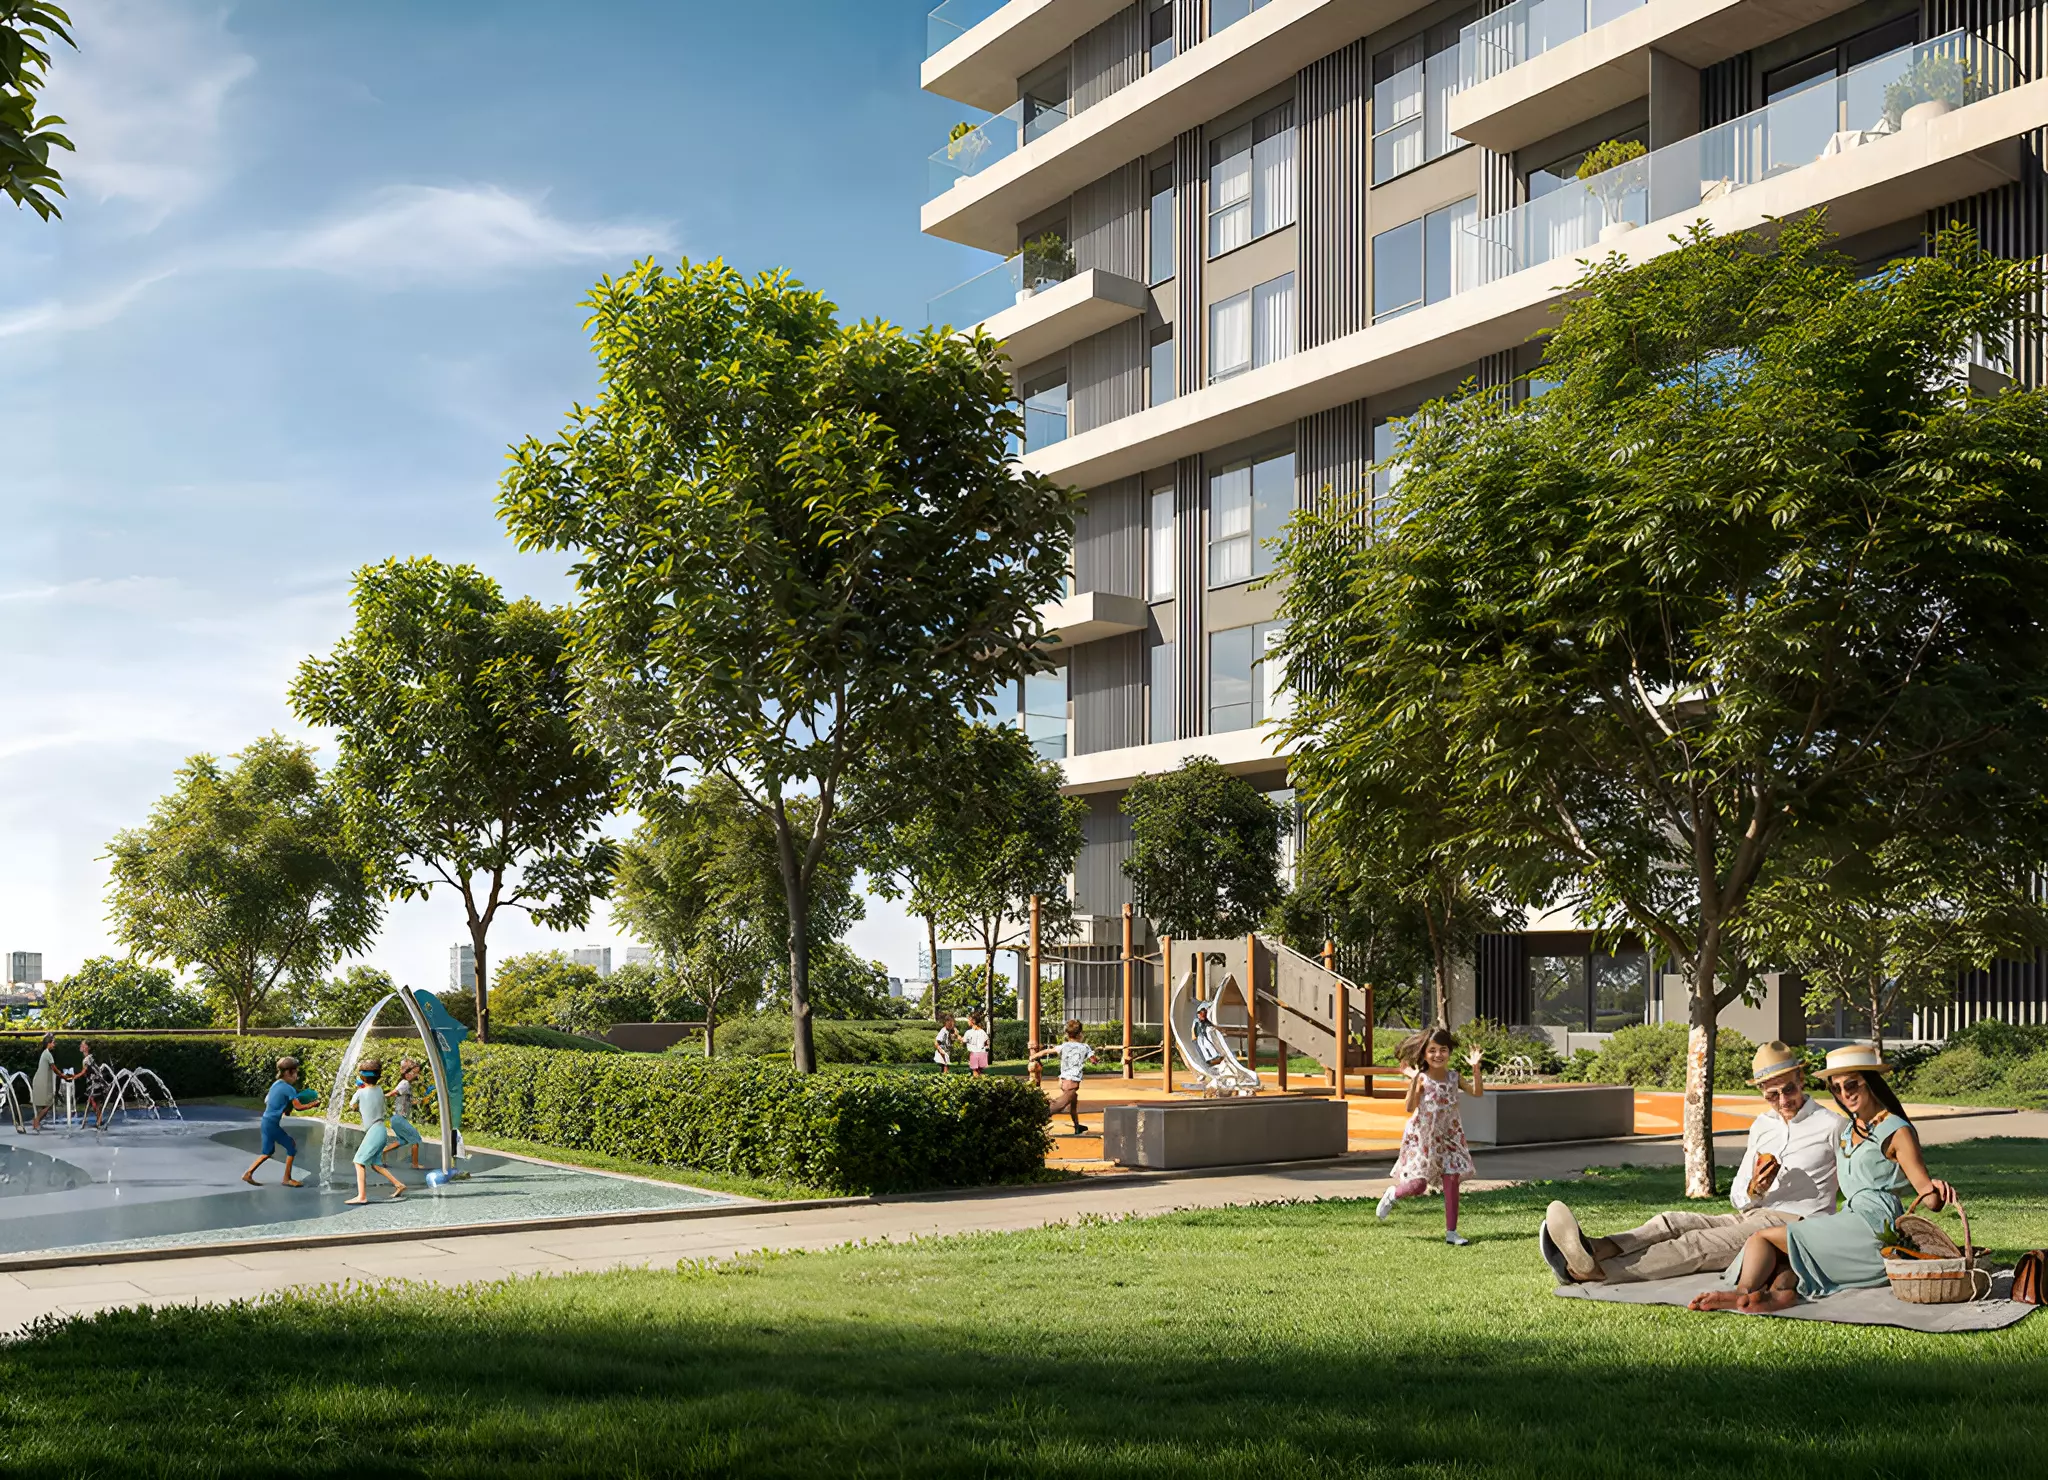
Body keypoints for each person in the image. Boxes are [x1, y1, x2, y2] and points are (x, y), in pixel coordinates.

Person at [1540, 1040, 1842, 1284]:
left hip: (1796, 1225)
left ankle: (1592, 1271)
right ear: (1762, 1092)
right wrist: (1754, 1189)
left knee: (1697, 1243)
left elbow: (1856, 1189)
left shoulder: (1832, 1126)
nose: (1783, 1100)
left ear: (1801, 1079)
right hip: (1755, 1214)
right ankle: (1592, 1248)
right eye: (1772, 1095)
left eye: (1788, 1089)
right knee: (1672, 1221)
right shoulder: (1763, 1126)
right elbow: (1740, 1197)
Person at [1690, 1042, 1958, 1313]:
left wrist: (1935, 1187)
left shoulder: (1896, 1131)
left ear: (1870, 1081)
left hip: (1876, 1224)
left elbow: (1931, 1200)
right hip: (1847, 1216)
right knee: (1780, 1247)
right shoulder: (1848, 1131)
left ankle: (1740, 1294)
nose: (1844, 1094)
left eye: (1851, 1085)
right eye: (1836, 1088)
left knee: (1766, 1238)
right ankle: (1775, 1294)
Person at [1377, 1028, 1484, 1246]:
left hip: (1449, 1136)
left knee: (1452, 1180)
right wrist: (1414, 1082)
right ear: (1424, 1054)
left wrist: (1475, 1068)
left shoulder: (1454, 1077)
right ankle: (1393, 1194)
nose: (1438, 1055)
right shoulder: (1422, 1079)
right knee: (1418, 1185)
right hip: (1422, 1137)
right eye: (1432, 1050)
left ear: (1449, 1052)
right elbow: (1409, 1108)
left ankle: (1452, 1232)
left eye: (1443, 1050)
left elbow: (1477, 1092)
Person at [243, 1056, 319, 1187]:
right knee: (291, 1146)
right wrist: (313, 1104)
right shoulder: (289, 1089)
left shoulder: (276, 1084)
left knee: (267, 1152)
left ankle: (248, 1174)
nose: (297, 1076)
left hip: (266, 1121)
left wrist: (284, 1109)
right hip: (272, 1124)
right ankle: (287, 1178)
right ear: (289, 1072)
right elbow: (298, 1107)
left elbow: (270, 1101)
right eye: (296, 1072)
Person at [347, 1058, 406, 1204]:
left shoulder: (360, 1093)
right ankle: (399, 1184)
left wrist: (358, 1091)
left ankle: (361, 1196)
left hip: (374, 1131)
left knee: (358, 1161)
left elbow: (352, 1106)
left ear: (361, 1077)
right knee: (375, 1164)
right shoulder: (379, 1090)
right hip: (381, 1129)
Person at [1032, 1019, 1096, 1136]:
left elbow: (1047, 1051)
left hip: (1063, 1080)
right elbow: (1093, 1060)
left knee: (1073, 1102)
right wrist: (1095, 1060)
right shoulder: (1085, 1047)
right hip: (1072, 1082)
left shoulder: (1063, 1046)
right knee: (1059, 1105)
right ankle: (1038, 1118)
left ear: (1067, 1034)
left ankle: (1077, 1126)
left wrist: (1034, 1056)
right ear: (1080, 1034)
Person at [387, 1057, 426, 1171]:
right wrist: (380, 1096)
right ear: (406, 1073)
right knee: (416, 1139)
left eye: (416, 1073)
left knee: (402, 1141)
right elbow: (393, 1093)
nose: (415, 1075)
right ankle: (415, 1164)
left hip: (397, 1119)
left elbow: (406, 1100)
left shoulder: (406, 1084)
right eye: (413, 1072)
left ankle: (382, 1153)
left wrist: (419, 1101)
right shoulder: (404, 1083)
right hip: (399, 1119)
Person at [28, 1032, 57, 1132]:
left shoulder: (45, 1053)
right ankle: (36, 1122)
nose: (54, 1044)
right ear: (49, 1043)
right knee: (49, 1104)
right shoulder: (47, 1054)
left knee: (45, 1105)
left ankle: (36, 1122)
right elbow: (54, 1068)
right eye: (53, 1042)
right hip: (41, 1082)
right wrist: (63, 1076)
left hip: (41, 1081)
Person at [962, 1010, 991, 1077]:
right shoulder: (982, 1031)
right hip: (982, 1053)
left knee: (975, 1073)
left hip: (974, 1054)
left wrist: (960, 1038)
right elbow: (987, 1042)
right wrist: (986, 1050)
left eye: (968, 1020)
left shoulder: (968, 1032)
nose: (967, 1021)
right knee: (980, 1073)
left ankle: (977, 1086)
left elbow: (963, 1042)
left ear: (972, 1021)